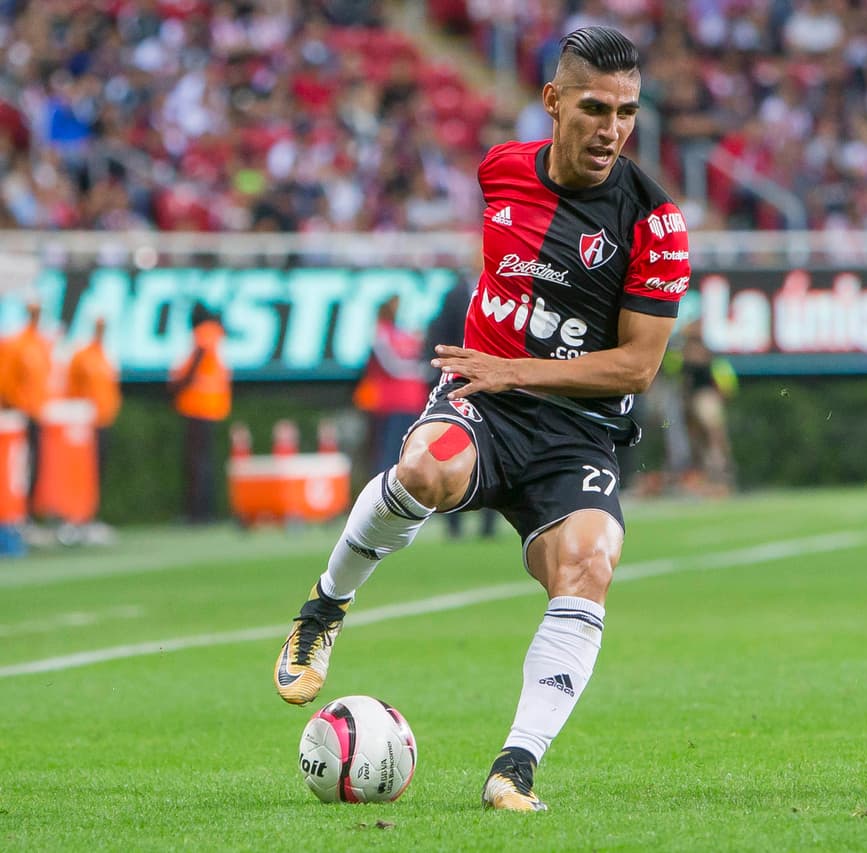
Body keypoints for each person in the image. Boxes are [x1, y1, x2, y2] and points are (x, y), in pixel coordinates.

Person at [273, 27, 691, 813]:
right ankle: (322, 610)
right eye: (595, 108)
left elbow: (637, 366)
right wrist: (500, 352)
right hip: (485, 403)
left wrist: (520, 363)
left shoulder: (654, 224)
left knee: (591, 563)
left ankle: (515, 765)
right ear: (554, 102)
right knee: (425, 467)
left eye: (628, 112)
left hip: (579, 433)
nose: (611, 129)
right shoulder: (501, 170)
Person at [425, 278, 498, 540]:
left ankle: (489, 523)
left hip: (493, 383)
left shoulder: (504, 287)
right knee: (449, 448)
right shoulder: (454, 294)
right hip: (457, 381)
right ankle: (452, 522)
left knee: (493, 450)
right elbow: (439, 334)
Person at [168, 303, 231, 524]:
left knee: (196, 463)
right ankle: (205, 511)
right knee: (204, 462)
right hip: (211, 406)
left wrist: (178, 386)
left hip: (199, 406)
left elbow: (195, 362)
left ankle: (197, 513)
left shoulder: (204, 334)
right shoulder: (216, 334)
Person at [354, 295, 428, 478]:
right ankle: (381, 496)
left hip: (412, 401)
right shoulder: (381, 333)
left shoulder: (405, 334)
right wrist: (419, 370)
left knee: (408, 453)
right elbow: (392, 365)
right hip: (390, 403)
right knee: (387, 453)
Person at [0, 301, 54, 499]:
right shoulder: (16, 343)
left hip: (37, 412)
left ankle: (28, 512)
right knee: (17, 466)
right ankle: (14, 512)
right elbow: (5, 379)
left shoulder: (42, 343)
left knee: (35, 464)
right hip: (19, 413)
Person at [680, 318, 737, 495]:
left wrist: (722, 394)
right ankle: (701, 479)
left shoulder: (708, 353)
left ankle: (721, 476)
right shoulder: (681, 352)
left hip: (706, 397)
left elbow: (725, 381)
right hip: (688, 400)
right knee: (696, 442)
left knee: (713, 437)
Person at [66, 316, 122, 482]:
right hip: (85, 422)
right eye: (98, 327)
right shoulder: (82, 356)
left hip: (104, 420)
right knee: (82, 471)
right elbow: (72, 387)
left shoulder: (108, 356)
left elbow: (113, 389)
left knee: (98, 470)